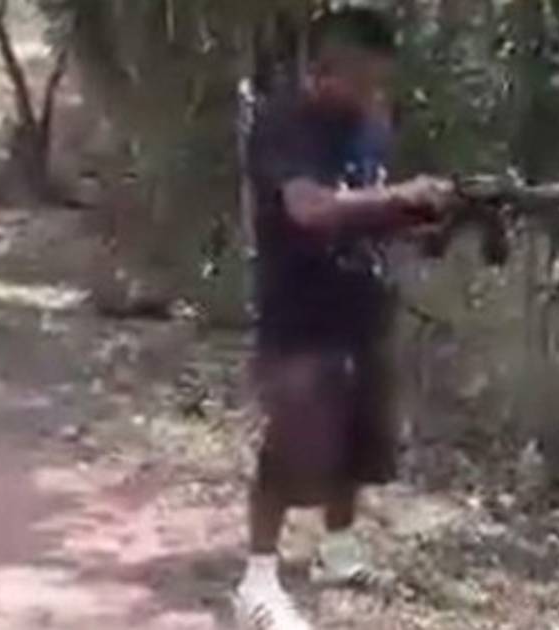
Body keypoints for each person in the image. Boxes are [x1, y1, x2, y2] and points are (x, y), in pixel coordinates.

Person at [234, 7, 456, 630]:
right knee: (290, 446)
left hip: (361, 303)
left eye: (379, 80)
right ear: (323, 71)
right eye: (361, 80)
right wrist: (403, 196)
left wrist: (437, 220)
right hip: (298, 310)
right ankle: (257, 582)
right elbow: (309, 209)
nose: (372, 93)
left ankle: (338, 550)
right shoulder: (283, 125)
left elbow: (375, 211)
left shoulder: (372, 125)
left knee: (356, 439)